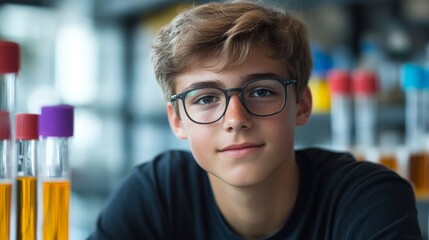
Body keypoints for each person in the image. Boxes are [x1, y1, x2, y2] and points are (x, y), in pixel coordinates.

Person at [89, 1, 422, 239]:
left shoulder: (366, 199)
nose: (236, 119)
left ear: (302, 105)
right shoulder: (156, 195)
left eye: (261, 92)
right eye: (206, 98)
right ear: (177, 121)